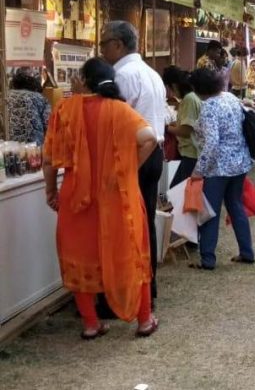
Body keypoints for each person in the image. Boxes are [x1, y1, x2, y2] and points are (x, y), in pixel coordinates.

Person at [43, 58, 158, 338]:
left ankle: (91, 324)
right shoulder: (120, 110)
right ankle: (144, 320)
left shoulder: (65, 110)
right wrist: (129, 169)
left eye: (77, 75)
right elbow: (149, 138)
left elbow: (48, 159)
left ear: (84, 80)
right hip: (117, 196)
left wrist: (50, 191)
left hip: (76, 198)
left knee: (80, 256)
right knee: (130, 253)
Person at [100, 21, 166, 301]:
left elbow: (118, 121)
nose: (101, 50)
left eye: (104, 44)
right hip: (153, 152)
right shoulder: (149, 72)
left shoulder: (123, 75)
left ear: (118, 44)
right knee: (144, 221)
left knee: (127, 225)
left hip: (135, 155)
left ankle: (131, 290)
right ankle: (145, 287)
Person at [188, 68, 255, 270]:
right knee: (236, 206)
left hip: (218, 168)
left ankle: (207, 258)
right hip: (240, 162)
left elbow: (212, 143)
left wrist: (199, 169)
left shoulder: (208, 106)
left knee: (210, 212)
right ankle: (247, 251)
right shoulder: (231, 98)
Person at [162, 66, 202, 188]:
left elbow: (185, 131)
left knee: (177, 189)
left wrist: (166, 128)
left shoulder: (189, 99)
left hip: (191, 153)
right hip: (190, 153)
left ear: (173, 86)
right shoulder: (191, 97)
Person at [5, 69, 50, 146]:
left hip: (7, 145)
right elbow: (48, 123)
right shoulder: (39, 98)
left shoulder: (5, 97)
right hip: (33, 147)